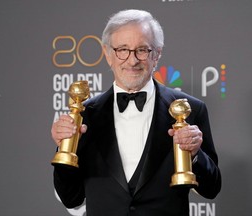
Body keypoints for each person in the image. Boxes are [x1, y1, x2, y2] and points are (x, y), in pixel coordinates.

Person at [51, 9, 221, 216]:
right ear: (107, 54)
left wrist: (195, 154)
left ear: (157, 54)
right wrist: (63, 148)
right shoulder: (85, 115)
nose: (132, 61)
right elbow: (71, 197)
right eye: (122, 49)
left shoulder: (191, 110)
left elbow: (212, 189)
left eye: (142, 50)